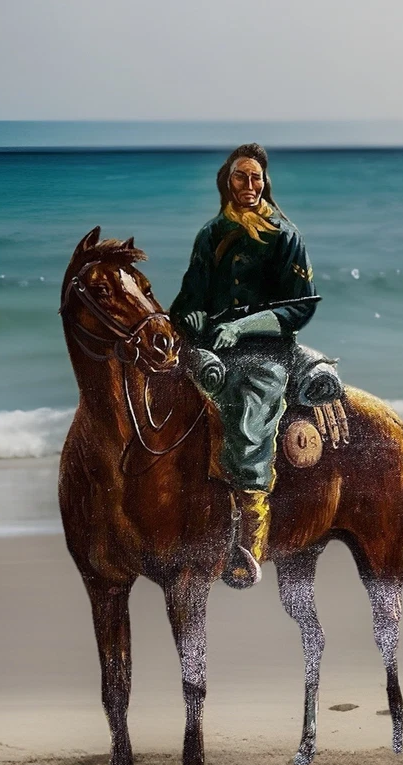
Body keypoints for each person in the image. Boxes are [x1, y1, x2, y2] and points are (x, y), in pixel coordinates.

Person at [170, 143, 317, 589]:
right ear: (227, 182)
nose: (249, 186)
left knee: (249, 424)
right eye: (240, 177)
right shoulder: (210, 235)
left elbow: (301, 308)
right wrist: (190, 318)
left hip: (263, 351)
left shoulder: (285, 236)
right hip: (211, 347)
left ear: (264, 182)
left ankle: (248, 549)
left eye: (255, 178)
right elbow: (189, 298)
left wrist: (246, 325)